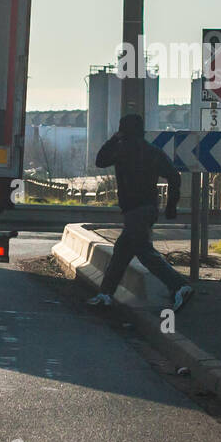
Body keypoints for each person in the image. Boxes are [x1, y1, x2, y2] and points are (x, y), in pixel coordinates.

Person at [87, 114, 193, 312]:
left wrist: (113, 139)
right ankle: (105, 294)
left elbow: (100, 161)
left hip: (134, 210)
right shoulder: (152, 151)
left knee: (145, 253)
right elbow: (173, 176)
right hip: (148, 208)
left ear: (123, 131)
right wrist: (171, 205)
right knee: (121, 253)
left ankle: (179, 286)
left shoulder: (121, 150)